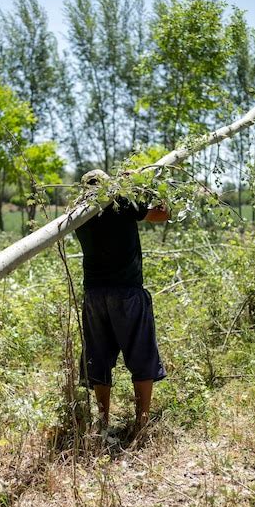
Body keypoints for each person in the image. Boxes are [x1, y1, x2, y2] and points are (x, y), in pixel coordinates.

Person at [75, 169, 169, 437]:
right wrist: (146, 187)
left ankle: (102, 422)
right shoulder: (122, 204)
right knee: (141, 355)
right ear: (108, 187)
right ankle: (141, 424)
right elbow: (163, 214)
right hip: (127, 293)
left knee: (98, 357)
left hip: (94, 295)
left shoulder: (81, 215)